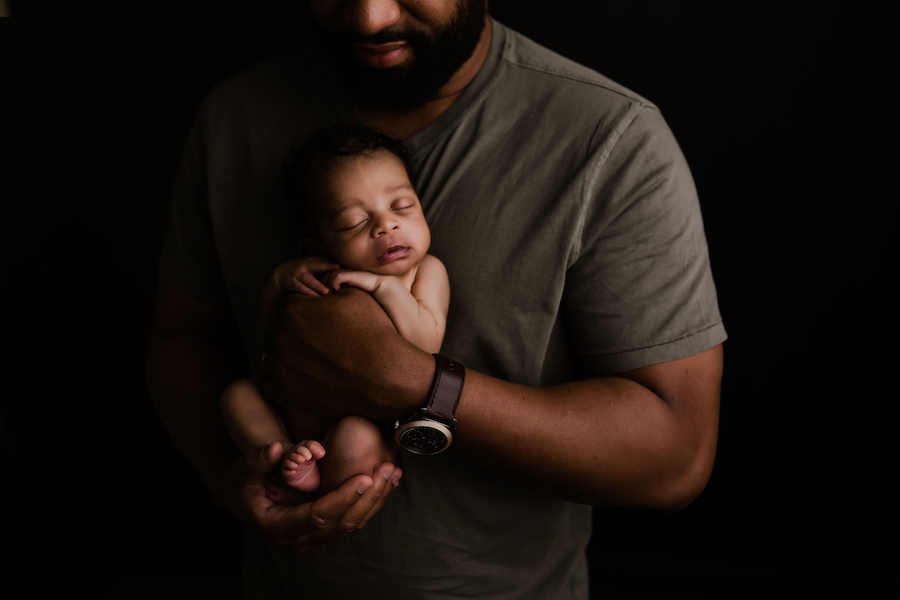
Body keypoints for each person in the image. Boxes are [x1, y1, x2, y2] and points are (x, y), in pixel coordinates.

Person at [146, 1, 727, 598]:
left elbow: (675, 458)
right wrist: (241, 487)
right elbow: (182, 337)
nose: (370, 18)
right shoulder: (235, 116)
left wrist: (406, 380)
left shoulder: (613, 140)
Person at [219, 125, 449, 501]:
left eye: (402, 206)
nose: (385, 225)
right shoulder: (319, 271)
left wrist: (386, 287)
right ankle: (282, 457)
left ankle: (320, 491)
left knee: (357, 437)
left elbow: (425, 347)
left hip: (356, 422)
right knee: (236, 395)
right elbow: (272, 330)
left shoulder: (424, 272)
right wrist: (279, 282)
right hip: (289, 412)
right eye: (352, 223)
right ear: (319, 243)